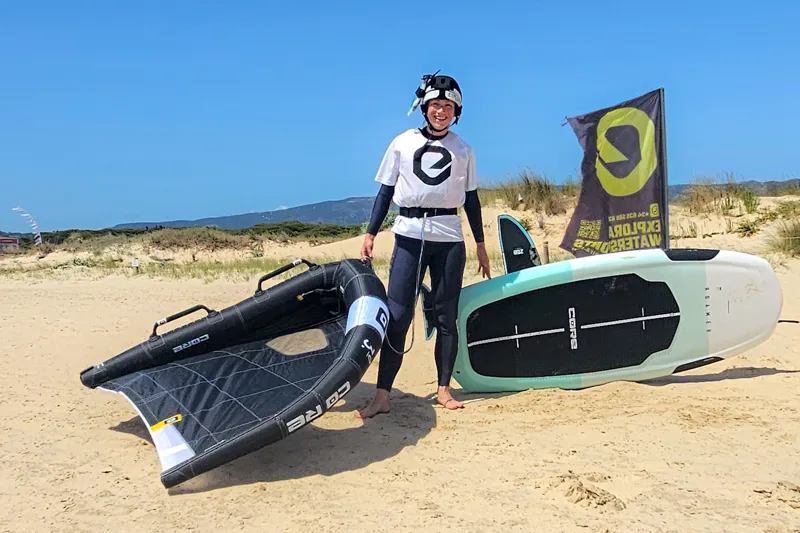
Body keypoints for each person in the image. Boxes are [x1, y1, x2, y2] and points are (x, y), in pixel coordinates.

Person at [357, 72, 491, 419]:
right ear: (425, 108)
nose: (441, 111)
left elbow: (472, 201)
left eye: (447, 106)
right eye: (435, 105)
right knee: (398, 316)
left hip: (448, 240)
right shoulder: (401, 142)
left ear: (456, 111)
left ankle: (443, 389)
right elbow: (385, 191)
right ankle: (382, 395)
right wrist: (371, 233)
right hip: (408, 235)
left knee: (447, 318)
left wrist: (480, 243)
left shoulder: (464, 150)